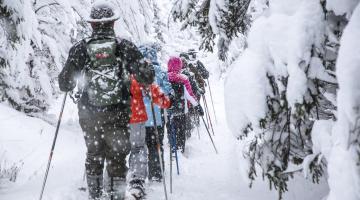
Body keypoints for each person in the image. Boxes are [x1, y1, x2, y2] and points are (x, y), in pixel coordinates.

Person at [58, 2, 154, 199]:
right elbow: (147, 77)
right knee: (117, 157)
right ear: (112, 23)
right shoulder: (124, 46)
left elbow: (64, 82)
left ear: (92, 24)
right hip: (118, 112)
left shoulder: (80, 48)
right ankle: (116, 196)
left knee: (94, 154)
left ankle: (94, 196)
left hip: (89, 114)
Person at [128, 73, 171, 199]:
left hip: (117, 117)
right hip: (147, 117)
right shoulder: (150, 71)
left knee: (114, 150)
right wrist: (168, 101)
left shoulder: (120, 68)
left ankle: (113, 183)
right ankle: (153, 175)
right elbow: (162, 94)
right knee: (147, 147)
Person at [139, 45, 174, 181]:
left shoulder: (134, 72)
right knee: (155, 146)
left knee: (139, 148)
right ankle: (156, 173)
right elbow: (167, 92)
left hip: (138, 117)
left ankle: (138, 176)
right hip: (156, 117)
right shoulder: (160, 72)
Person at [167, 57, 204, 153]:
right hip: (181, 109)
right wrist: (197, 106)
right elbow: (190, 95)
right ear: (179, 66)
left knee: (171, 129)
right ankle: (180, 149)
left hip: (168, 109)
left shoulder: (165, 77)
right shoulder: (183, 78)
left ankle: (173, 147)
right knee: (181, 130)